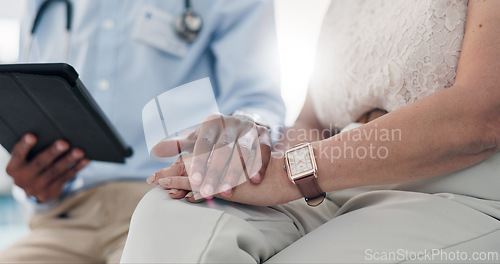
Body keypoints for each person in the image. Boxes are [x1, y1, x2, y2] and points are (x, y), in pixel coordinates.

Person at [122, 0, 500, 263]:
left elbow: (481, 118)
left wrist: (292, 173)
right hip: (337, 187)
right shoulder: (342, 6)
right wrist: (256, 147)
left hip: (456, 188)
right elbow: (311, 123)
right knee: (168, 215)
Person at [0, 0, 285, 263]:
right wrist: (33, 183)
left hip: (168, 205)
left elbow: (257, 103)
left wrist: (245, 129)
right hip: (63, 219)